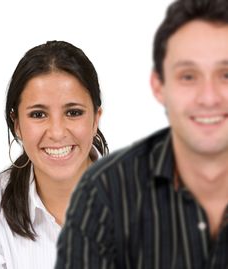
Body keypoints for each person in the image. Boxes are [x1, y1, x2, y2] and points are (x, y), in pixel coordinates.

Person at [55, 0, 228, 268]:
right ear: (158, 85)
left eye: (226, 75)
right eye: (188, 76)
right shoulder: (104, 192)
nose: (208, 97)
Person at [0, 40, 109, 269]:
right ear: (16, 123)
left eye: (73, 112)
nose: (57, 133)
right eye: (38, 114)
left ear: (96, 119)